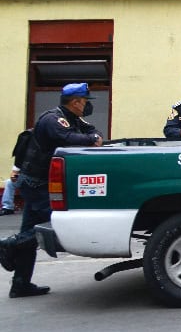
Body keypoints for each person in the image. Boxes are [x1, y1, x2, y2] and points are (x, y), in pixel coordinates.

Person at [0, 83, 103, 298]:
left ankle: (20, 283)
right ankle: (9, 245)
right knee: (53, 226)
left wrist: (93, 137)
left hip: (39, 183)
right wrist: (91, 140)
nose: (86, 106)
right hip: (36, 183)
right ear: (75, 102)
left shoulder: (72, 118)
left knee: (31, 228)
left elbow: (93, 132)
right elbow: (68, 140)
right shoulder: (53, 119)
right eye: (85, 102)